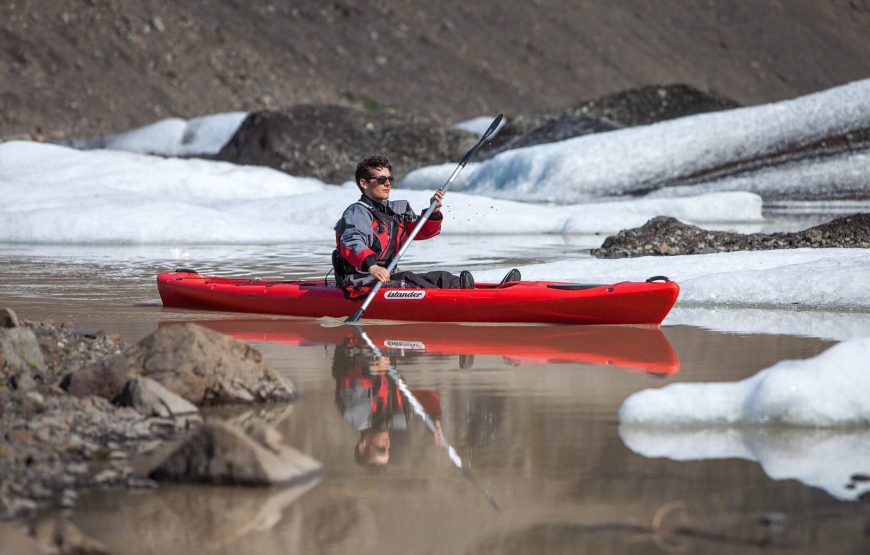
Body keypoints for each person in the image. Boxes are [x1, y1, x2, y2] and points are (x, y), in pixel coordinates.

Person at [333, 155, 520, 290]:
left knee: (441, 277)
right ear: (364, 184)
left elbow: (421, 232)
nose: (388, 183)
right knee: (410, 281)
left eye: (390, 178)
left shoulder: (395, 211)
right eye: (381, 179)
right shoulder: (357, 212)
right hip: (360, 279)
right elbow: (351, 242)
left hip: (386, 276)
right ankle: (469, 301)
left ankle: (488, 293)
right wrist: (372, 266)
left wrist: (433, 212)